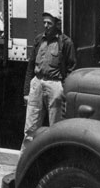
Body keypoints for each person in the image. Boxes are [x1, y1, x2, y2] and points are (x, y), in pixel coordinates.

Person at [23, 12, 77, 142]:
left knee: (56, 128)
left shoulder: (66, 42)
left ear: (57, 24)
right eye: (44, 23)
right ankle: (25, 159)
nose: (46, 26)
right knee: (30, 128)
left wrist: (64, 89)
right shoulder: (38, 40)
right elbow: (30, 66)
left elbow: (71, 68)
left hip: (55, 85)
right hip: (37, 83)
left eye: (49, 23)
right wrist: (26, 92)